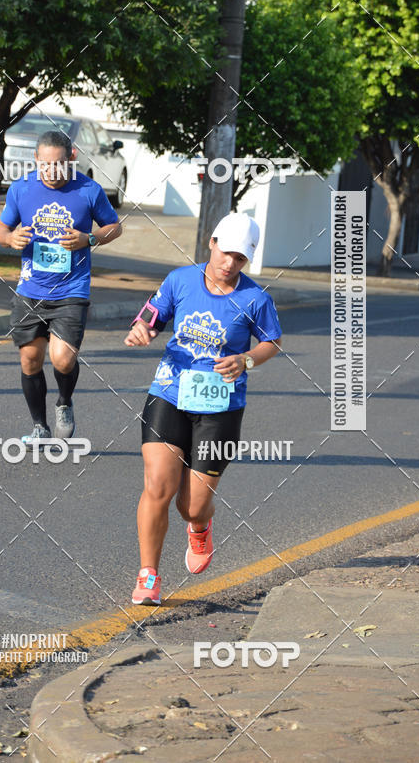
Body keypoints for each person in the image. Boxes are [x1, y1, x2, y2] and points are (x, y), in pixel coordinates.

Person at [124, 213, 282, 605]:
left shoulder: (255, 299)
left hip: (221, 406)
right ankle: (148, 576)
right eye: (226, 253)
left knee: (190, 504)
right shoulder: (180, 279)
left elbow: (271, 342)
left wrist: (245, 360)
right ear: (211, 243)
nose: (230, 264)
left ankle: (200, 524)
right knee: (157, 485)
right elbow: (151, 315)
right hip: (169, 392)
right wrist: (142, 328)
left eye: (240, 259)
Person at [0, 130, 122, 443]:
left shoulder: (88, 190)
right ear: (36, 160)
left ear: (71, 158)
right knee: (30, 359)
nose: (52, 171)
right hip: (31, 290)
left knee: (62, 359)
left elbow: (115, 227)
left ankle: (64, 401)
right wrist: (10, 239)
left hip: (71, 289)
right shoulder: (21, 189)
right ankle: (39, 427)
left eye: (59, 164)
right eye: (45, 165)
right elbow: (1, 228)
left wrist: (88, 239)